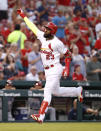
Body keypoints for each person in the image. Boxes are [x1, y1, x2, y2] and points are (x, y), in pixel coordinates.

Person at [17, 9, 83, 123]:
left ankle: (41, 116)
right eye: (45, 28)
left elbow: (68, 54)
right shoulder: (42, 36)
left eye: (47, 29)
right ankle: (77, 91)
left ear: (51, 31)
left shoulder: (57, 42)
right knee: (56, 91)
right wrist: (23, 16)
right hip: (47, 71)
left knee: (47, 90)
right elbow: (32, 26)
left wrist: (66, 68)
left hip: (55, 68)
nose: (45, 29)